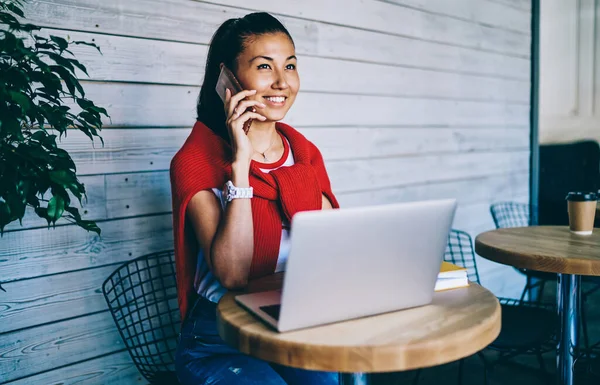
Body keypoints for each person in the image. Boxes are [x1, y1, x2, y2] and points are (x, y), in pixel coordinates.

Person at [169, 12, 340, 385]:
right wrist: (241, 164)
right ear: (227, 78)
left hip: (291, 317)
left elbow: (333, 243)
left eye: (290, 66)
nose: (282, 82)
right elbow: (232, 274)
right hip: (219, 336)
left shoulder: (304, 152)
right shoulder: (194, 161)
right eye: (265, 66)